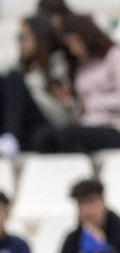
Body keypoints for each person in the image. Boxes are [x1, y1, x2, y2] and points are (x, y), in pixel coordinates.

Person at [35, 17, 120, 154]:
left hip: (116, 129)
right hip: (85, 126)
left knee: (68, 136)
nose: (73, 50)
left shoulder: (116, 56)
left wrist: (89, 103)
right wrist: (70, 102)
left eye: (76, 43)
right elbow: (80, 105)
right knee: (43, 136)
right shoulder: (81, 65)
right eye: (70, 45)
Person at [0, 16, 72, 158]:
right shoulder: (22, 68)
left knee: (14, 78)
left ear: (39, 37)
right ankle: (8, 138)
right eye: (19, 38)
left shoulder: (59, 65)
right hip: (25, 129)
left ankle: (10, 138)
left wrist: (28, 87)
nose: (20, 42)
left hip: (47, 128)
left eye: (24, 37)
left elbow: (63, 114)